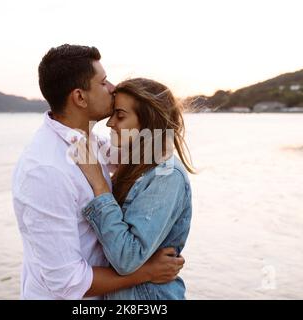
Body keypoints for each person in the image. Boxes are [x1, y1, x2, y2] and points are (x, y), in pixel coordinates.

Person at [11, 44, 185, 300]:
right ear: (80, 97)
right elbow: (68, 282)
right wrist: (147, 272)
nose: (113, 88)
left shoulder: (90, 142)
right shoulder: (46, 172)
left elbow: (141, 152)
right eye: (103, 82)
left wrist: (154, 116)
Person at [72, 78, 194, 299]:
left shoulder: (166, 175)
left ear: (148, 123)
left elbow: (127, 258)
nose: (110, 123)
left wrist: (99, 183)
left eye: (119, 115)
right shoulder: (134, 165)